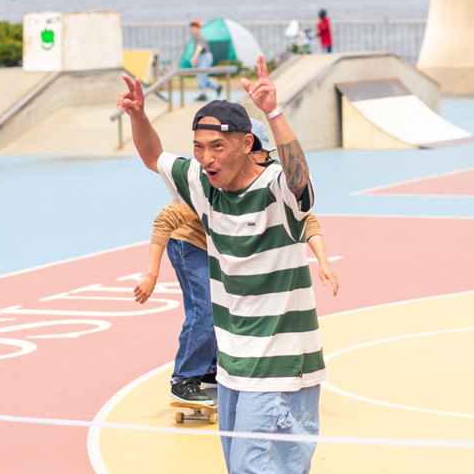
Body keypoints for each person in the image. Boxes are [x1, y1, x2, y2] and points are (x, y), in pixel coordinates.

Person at [118, 56, 355, 474]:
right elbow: (154, 157)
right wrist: (139, 116)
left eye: (217, 147)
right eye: (199, 148)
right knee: (249, 470)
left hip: (285, 359)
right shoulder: (203, 186)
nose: (205, 158)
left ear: (246, 144)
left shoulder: (277, 189)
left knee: (257, 467)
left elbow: (302, 182)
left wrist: (275, 113)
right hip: (235, 362)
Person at [134, 120, 340, 406]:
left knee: (233, 304)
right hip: (190, 244)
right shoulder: (209, 186)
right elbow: (164, 220)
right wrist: (151, 274)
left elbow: (306, 220)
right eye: (255, 154)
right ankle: (184, 378)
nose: (260, 161)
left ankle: (210, 368)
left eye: (263, 155)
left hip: (222, 249)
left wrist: (323, 262)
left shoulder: (266, 181)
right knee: (206, 309)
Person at [188, 20, 221, 101]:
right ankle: (216, 86)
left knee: (202, 75)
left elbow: (199, 47)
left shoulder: (199, 37)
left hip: (205, 56)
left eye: (195, 27)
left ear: (199, 28)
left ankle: (203, 93)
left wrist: (195, 57)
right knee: (201, 76)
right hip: (202, 57)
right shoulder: (196, 37)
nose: (193, 29)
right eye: (192, 27)